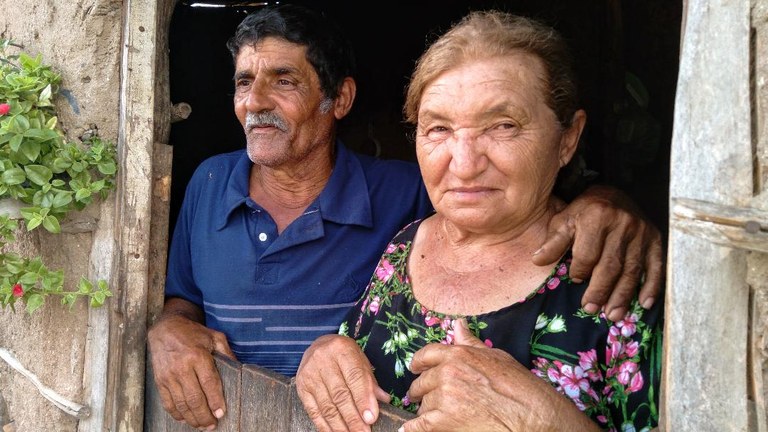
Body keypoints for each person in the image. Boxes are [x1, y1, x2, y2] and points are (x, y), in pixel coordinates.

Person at [147, 4, 664, 431]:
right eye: (438, 129)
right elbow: (185, 299)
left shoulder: (403, 196)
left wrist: (612, 199)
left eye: (502, 125)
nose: (462, 163)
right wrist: (321, 348)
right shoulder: (406, 243)